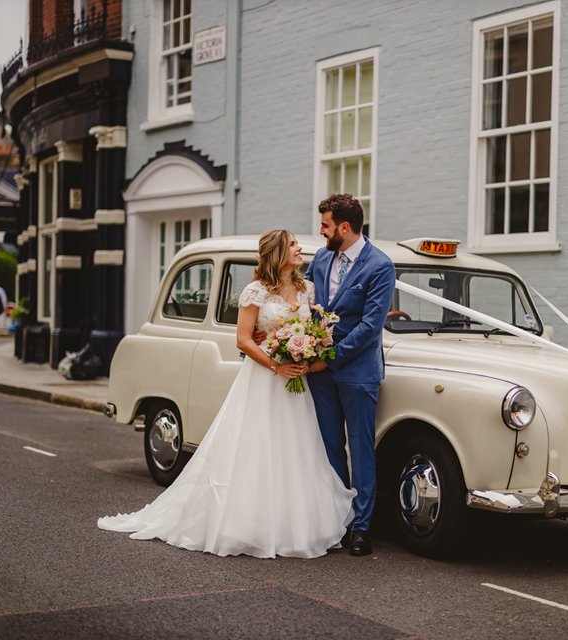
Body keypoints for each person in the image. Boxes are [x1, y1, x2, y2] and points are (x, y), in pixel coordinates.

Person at [98, 230, 356, 558]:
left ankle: (295, 525)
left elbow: (315, 329)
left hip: (295, 381)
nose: (299, 249)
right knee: (255, 445)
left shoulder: (307, 290)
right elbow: (244, 339)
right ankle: (248, 522)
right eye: (293, 245)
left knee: (297, 448)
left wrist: (306, 353)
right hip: (265, 377)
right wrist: (277, 365)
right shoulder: (255, 291)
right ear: (278, 252)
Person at [305, 194, 396, 557]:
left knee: (360, 450)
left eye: (325, 225)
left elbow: (371, 327)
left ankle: (361, 527)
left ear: (344, 227)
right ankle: (336, 521)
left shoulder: (380, 266)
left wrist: (331, 357)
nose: (321, 231)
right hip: (319, 373)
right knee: (329, 449)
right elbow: (307, 305)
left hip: (357, 372)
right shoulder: (321, 258)